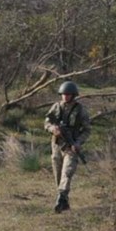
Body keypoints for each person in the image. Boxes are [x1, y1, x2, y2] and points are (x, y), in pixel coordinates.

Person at [44, 81, 91, 213]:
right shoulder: (56, 107)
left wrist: (78, 143)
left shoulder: (80, 109)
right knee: (58, 175)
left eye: (68, 94)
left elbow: (87, 130)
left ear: (73, 95)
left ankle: (60, 199)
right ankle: (64, 201)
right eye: (63, 94)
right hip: (57, 145)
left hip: (71, 146)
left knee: (67, 172)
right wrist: (53, 128)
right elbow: (46, 122)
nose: (65, 96)